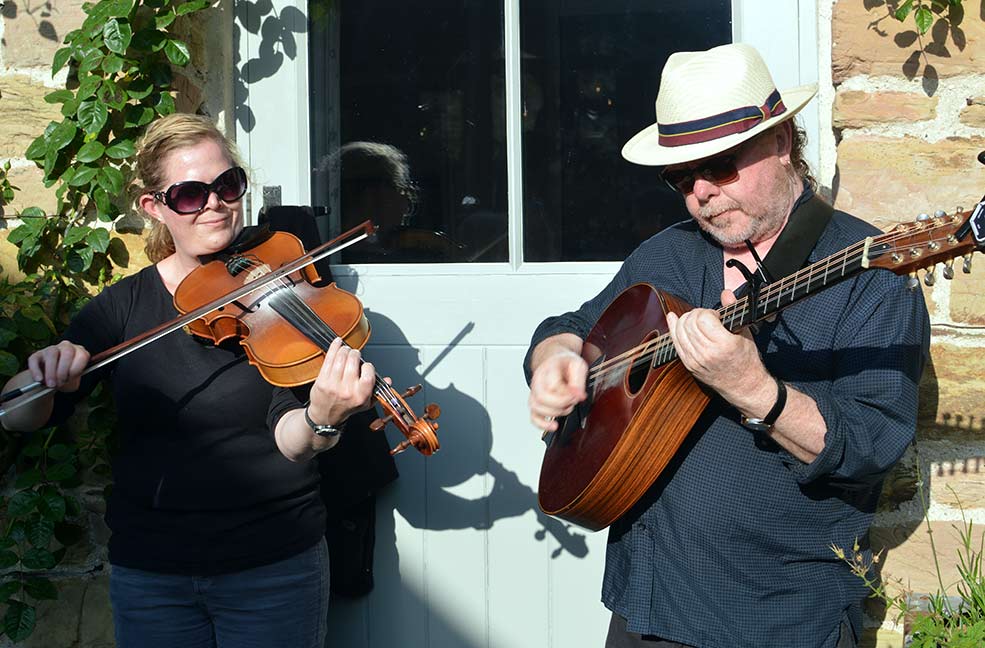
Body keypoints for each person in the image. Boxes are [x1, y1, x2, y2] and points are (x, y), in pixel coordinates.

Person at [524, 43, 930, 648]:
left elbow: (870, 446)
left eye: (721, 165)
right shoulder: (670, 252)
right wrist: (553, 357)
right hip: (649, 603)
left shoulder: (871, 275)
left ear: (783, 141)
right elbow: (576, 325)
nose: (701, 194)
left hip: (782, 617)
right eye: (681, 178)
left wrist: (754, 389)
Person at [0, 113, 377, 648]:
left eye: (227, 185)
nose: (215, 204)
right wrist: (42, 373)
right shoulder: (124, 306)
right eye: (189, 195)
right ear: (154, 207)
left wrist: (322, 419)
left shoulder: (279, 286)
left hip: (272, 564)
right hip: (154, 576)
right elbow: (21, 414)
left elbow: (292, 439)